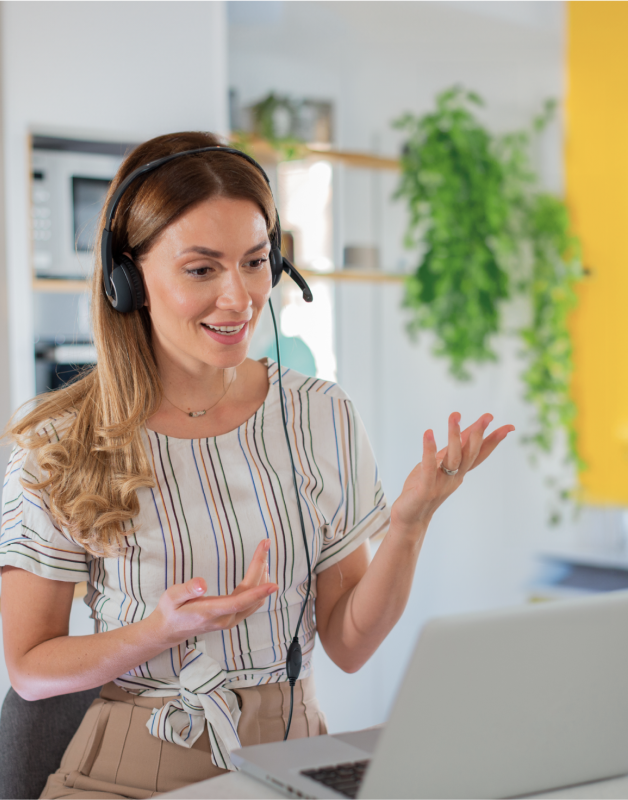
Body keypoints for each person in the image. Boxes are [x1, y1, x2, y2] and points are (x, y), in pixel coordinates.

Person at [0, 131, 514, 799]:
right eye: (201, 269)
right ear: (130, 279)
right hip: (131, 770)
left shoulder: (319, 415)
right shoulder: (66, 438)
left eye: (254, 262)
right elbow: (32, 668)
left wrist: (410, 524)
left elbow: (350, 647)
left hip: (294, 758)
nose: (239, 297)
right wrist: (160, 630)